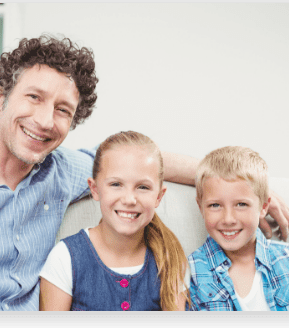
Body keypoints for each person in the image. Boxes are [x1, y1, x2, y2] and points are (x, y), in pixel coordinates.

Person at [0, 34, 289, 310]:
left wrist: (249, 186)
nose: (46, 120)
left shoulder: (59, 170)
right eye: (33, 98)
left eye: (63, 110)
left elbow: (143, 159)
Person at [39, 131, 190, 311]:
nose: (129, 199)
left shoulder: (170, 261)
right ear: (94, 189)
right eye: (116, 184)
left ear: (159, 196)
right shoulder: (65, 258)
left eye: (143, 187)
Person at [188, 146, 289, 311]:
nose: (228, 219)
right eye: (215, 205)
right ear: (200, 207)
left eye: (241, 204)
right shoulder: (189, 272)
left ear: (264, 207)